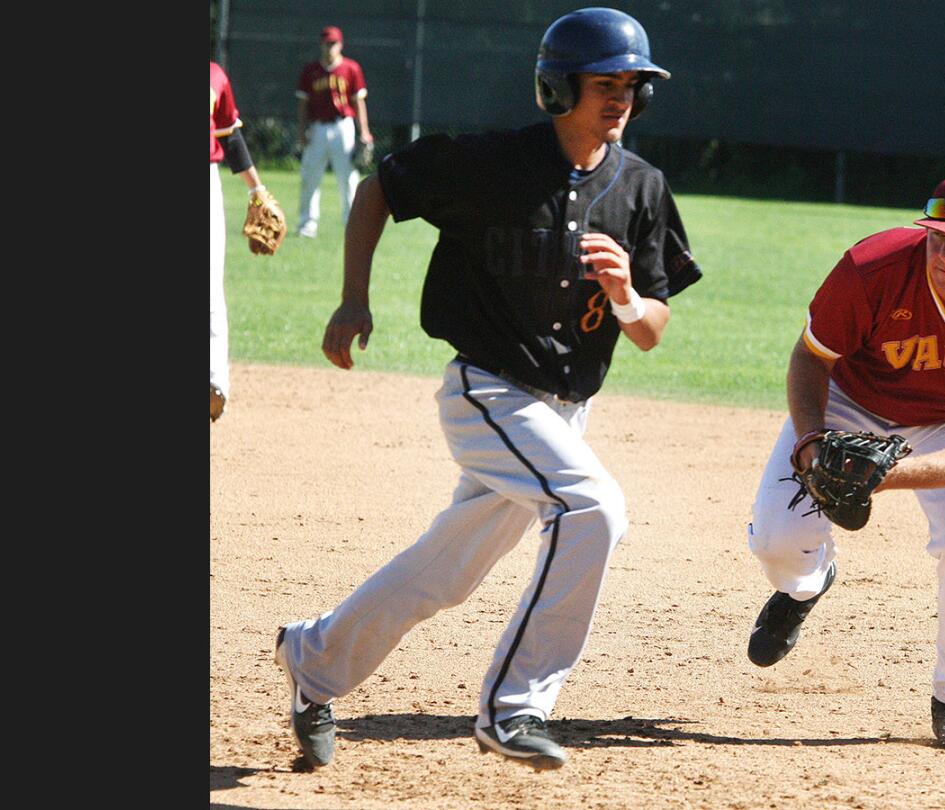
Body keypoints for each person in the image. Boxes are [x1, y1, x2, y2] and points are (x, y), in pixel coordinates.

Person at [273, 7, 701, 771]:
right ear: (557, 87)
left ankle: (313, 660)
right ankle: (516, 707)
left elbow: (651, 327)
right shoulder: (491, 163)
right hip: (489, 392)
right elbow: (380, 188)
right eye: (605, 82)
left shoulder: (641, 187)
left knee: (448, 569)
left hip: (568, 411)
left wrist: (630, 296)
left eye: (633, 85)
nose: (621, 98)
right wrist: (353, 296)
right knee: (593, 507)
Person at [743, 173, 945, 750]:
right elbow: (811, 360)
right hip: (845, 402)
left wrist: (885, 476)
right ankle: (806, 586)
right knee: (777, 542)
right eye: (938, 237)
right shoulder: (874, 268)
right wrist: (813, 446)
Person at [210, 60, 282, 422]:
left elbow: (230, 137)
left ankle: (213, 383)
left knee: (208, 284)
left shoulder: (214, 75)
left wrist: (257, 188)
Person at [294, 25, 372, 238]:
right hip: (318, 127)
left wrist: (363, 131)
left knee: (348, 178)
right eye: (327, 43)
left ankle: (352, 224)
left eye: (333, 43)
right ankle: (306, 225)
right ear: (321, 44)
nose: (330, 47)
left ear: (341, 45)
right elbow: (303, 105)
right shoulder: (311, 71)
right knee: (310, 176)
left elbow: (358, 102)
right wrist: (302, 131)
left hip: (343, 126)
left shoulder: (351, 68)